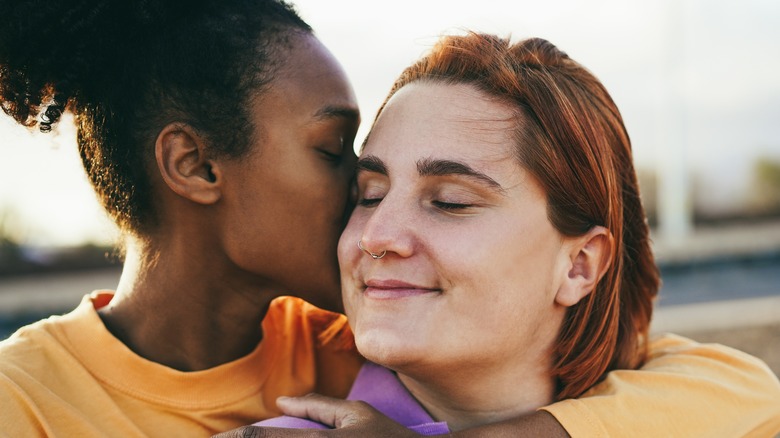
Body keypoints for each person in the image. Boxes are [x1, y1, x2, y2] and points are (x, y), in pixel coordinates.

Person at [0, 1, 777, 436]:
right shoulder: (22, 400)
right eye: (343, 159)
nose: (370, 224)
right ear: (198, 167)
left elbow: (730, 384)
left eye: (447, 201)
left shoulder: (352, 345)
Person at [250, 33, 780, 437]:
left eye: (450, 202)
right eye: (368, 195)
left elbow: (753, 389)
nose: (377, 235)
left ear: (579, 265)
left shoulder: (696, 410)